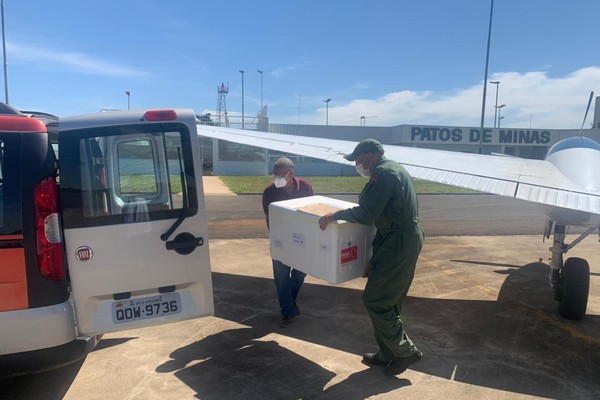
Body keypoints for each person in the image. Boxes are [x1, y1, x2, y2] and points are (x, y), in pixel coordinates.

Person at [318, 138, 425, 375]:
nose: (357, 164)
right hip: (398, 239)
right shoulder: (394, 168)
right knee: (390, 300)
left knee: (376, 300)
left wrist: (335, 215)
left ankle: (405, 350)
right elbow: (382, 221)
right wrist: (373, 261)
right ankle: (389, 353)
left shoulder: (383, 175)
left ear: (369, 156)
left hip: (398, 241)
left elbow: (367, 214)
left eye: (358, 159)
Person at [263, 157, 314, 328]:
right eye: (274, 174)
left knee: (300, 274)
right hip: (280, 240)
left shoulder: (306, 187)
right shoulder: (269, 192)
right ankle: (288, 311)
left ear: (290, 174)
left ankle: (289, 304)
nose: (276, 178)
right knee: (281, 278)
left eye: (279, 174)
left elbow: (311, 213)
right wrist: (275, 240)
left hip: (301, 240)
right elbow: (269, 218)